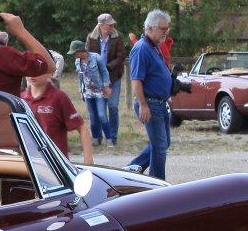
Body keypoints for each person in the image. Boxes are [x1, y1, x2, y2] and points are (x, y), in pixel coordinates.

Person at [126, 10, 173, 180]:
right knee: (160, 146)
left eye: (167, 29)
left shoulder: (154, 46)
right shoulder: (141, 48)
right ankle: (157, 184)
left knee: (163, 143)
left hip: (159, 103)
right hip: (150, 103)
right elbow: (136, 80)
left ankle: (133, 168)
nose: (166, 32)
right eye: (163, 29)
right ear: (150, 28)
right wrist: (143, 105)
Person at [21, 70, 94, 165]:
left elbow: (82, 128)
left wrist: (88, 160)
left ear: (50, 72)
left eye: (38, 70)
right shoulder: (21, 100)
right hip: (30, 164)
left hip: (56, 165)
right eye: (30, 69)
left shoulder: (59, 98)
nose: (33, 74)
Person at [86, 13, 124, 147]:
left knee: (113, 106)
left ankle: (113, 137)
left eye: (113, 24)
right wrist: (98, 69)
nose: (112, 26)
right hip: (97, 79)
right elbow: (88, 56)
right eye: (110, 24)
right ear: (101, 26)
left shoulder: (118, 37)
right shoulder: (91, 38)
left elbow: (121, 56)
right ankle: (97, 137)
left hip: (114, 76)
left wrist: (106, 67)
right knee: (98, 110)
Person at [69, 39, 112, 148]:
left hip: (99, 91)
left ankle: (109, 139)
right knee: (92, 116)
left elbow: (104, 72)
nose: (74, 55)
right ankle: (96, 138)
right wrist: (81, 90)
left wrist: (106, 86)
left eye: (75, 53)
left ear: (80, 51)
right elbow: (80, 77)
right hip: (88, 92)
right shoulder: (77, 62)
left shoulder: (96, 57)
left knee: (102, 115)